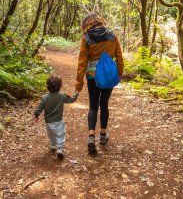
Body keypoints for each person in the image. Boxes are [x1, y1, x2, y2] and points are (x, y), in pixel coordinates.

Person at [75, 13, 124, 153]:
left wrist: (79, 83)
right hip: (108, 77)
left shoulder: (86, 38)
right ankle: (103, 135)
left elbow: (82, 61)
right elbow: (119, 58)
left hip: (92, 77)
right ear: (100, 22)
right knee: (104, 105)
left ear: (87, 24)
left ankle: (91, 136)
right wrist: (118, 75)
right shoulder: (112, 36)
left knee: (93, 106)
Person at [34, 75, 79, 159]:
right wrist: (76, 93)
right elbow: (72, 99)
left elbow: (39, 108)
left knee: (51, 135)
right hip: (58, 121)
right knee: (60, 135)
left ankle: (53, 145)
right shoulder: (62, 96)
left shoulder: (44, 98)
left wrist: (36, 115)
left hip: (48, 123)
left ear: (47, 86)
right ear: (59, 87)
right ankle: (59, 149)